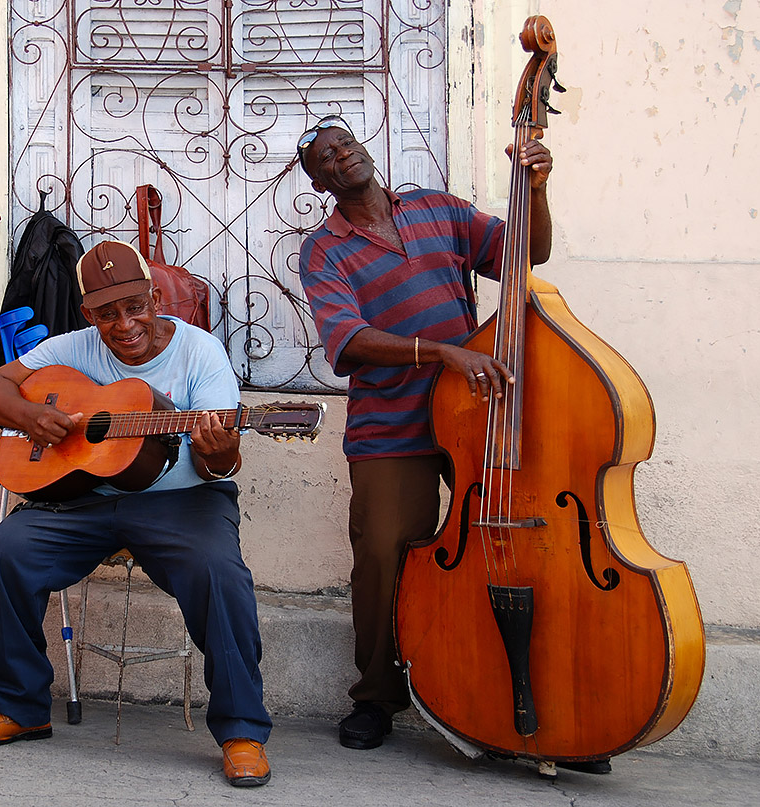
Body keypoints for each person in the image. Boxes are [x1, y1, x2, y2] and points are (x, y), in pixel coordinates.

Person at [0, 239, 273, 787]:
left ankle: (242, 731)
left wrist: (221, 448)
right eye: (107, 313)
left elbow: (221, 466)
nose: (124, 324)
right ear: (87, 314)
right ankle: (18, 708)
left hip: (182, 500)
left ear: (154, 295)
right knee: (8, 549)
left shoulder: (200, 352)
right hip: (82, 500)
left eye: (134, 307)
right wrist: (30, 415)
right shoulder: (69, 348)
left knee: (218, 571)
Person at [296, 115, 565, 754]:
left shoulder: (438, 209)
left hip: (476, 415)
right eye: (324, 157)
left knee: (516, 546)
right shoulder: (325, 249)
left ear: (364, 150)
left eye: (344, 142)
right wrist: (440, 352)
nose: (340, 155)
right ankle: (378, 698)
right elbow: (348, 338)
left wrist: (537, 187)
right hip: (391, 427)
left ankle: (524, 689)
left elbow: (528, 255)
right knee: (385, 553)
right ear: (320, 181)